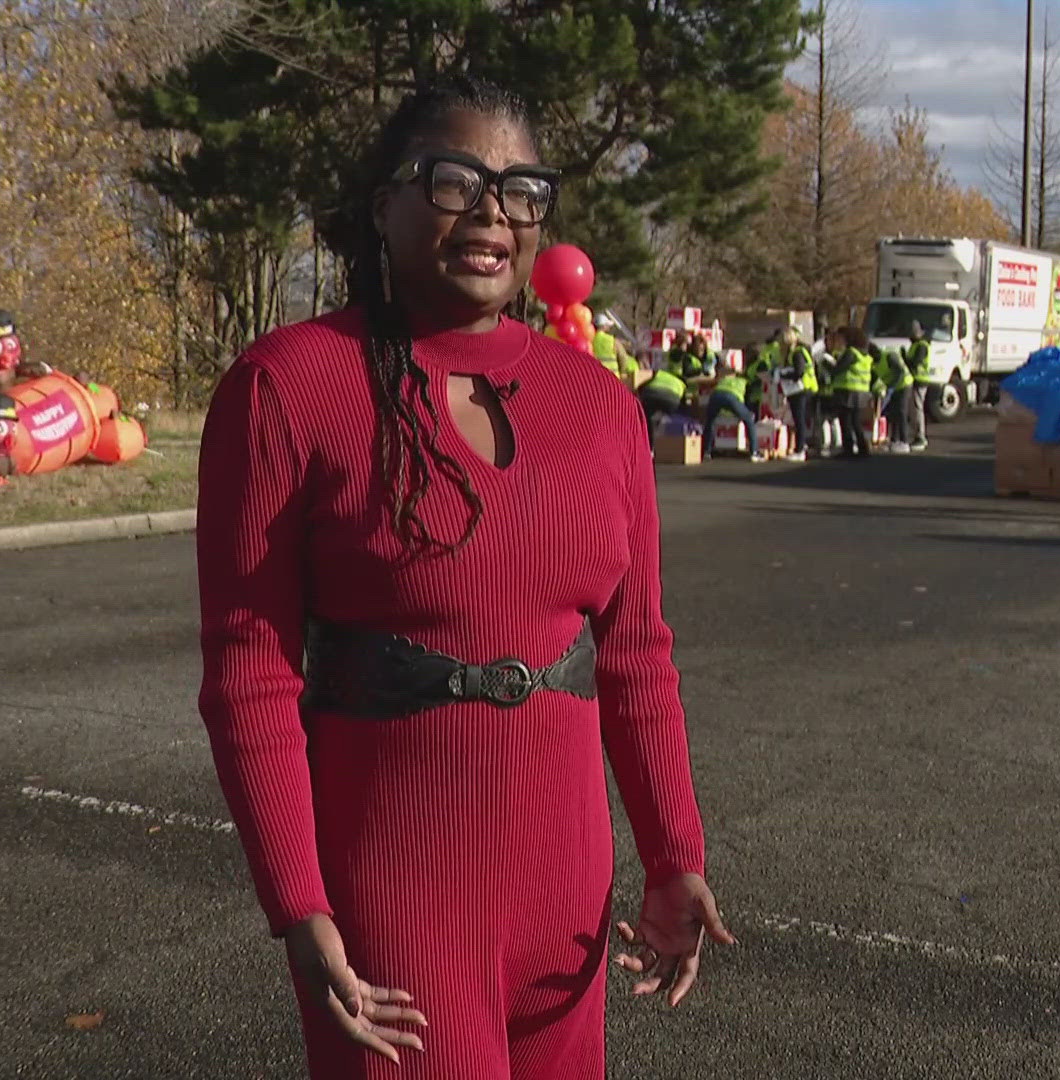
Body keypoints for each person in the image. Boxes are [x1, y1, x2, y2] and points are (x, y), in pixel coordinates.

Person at [195, 74, 730, 1080]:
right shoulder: (288, 386)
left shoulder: (604, 408)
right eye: (454, 179)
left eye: (522, 188)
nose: (493, 210)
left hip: (566, 902)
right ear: (383, 203)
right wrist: (298, 908)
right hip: (395, 909)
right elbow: (248, 673)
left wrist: (674, 857)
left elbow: (638, 655)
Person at [826, 326, 874, 458]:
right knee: (856, 421)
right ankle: (863, 449)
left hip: (847, 390)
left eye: (841, 338)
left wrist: (827, 364)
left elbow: (838, 370)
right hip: (861, 391)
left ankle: (848, 450)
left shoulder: (851, 353)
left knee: (846, 421)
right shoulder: (864, 353)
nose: (840, 341)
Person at [704, 362, 762, 460]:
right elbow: (748, 398)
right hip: (731, 397)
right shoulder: (745, 381)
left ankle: (707, 451)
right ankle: (754, 452)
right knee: (749, 420)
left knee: (710, 421)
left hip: (716, 395)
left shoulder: (726, 378)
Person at [776, 326, 818, 461]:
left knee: (799, 420)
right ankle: (801, 447)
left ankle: (800, 450)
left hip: (800, 389)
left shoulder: (797, 353)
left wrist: (783, 374)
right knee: (800, 420)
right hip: (803, 389)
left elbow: (799, 372)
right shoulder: (800, 351)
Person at [903, 321, 936, 452]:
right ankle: (917, 435)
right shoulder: (916, 344)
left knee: (917, 409)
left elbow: (916, 362)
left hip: (919, 379)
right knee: (914, 409)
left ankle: (920, 437)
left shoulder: (921, 345)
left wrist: (905, 358)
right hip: (915, 379)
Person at [877, 344, 912, 453]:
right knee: (892, 413)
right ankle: (894, 440)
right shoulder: (873, 362)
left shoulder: (889, 355)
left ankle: (904, 441)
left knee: (901, 412)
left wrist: (892, 387)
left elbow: (900, 372)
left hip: (904, 384)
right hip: (892, 387)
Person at [590, 313, 637, 378]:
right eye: (607, 325)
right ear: (604, 326)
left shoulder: (590, 339)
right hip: (612, 378)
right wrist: (622, 372)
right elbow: (623, 357)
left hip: (595, 377)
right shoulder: (612, 340)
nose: (609, 327)